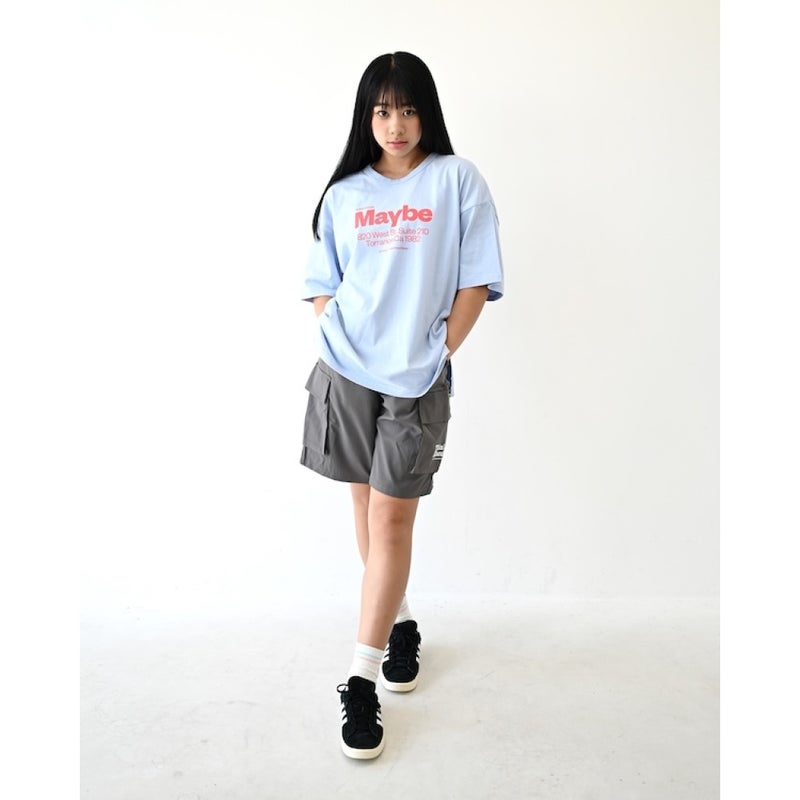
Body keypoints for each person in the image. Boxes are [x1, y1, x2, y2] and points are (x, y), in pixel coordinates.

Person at [300, 51, 504, 760]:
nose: (396, 124)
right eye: (383, 110)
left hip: (415, 378)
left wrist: (438, 350)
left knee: (392, 516)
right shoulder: (345, 192)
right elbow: (321, 279)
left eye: (408, 108)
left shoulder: (456, 180)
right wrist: (336, 332)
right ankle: (401, 623)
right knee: (365, 509)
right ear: (367, 116)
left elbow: (476, 279)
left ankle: (360, 680)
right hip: (347, 370)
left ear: (428, 113)